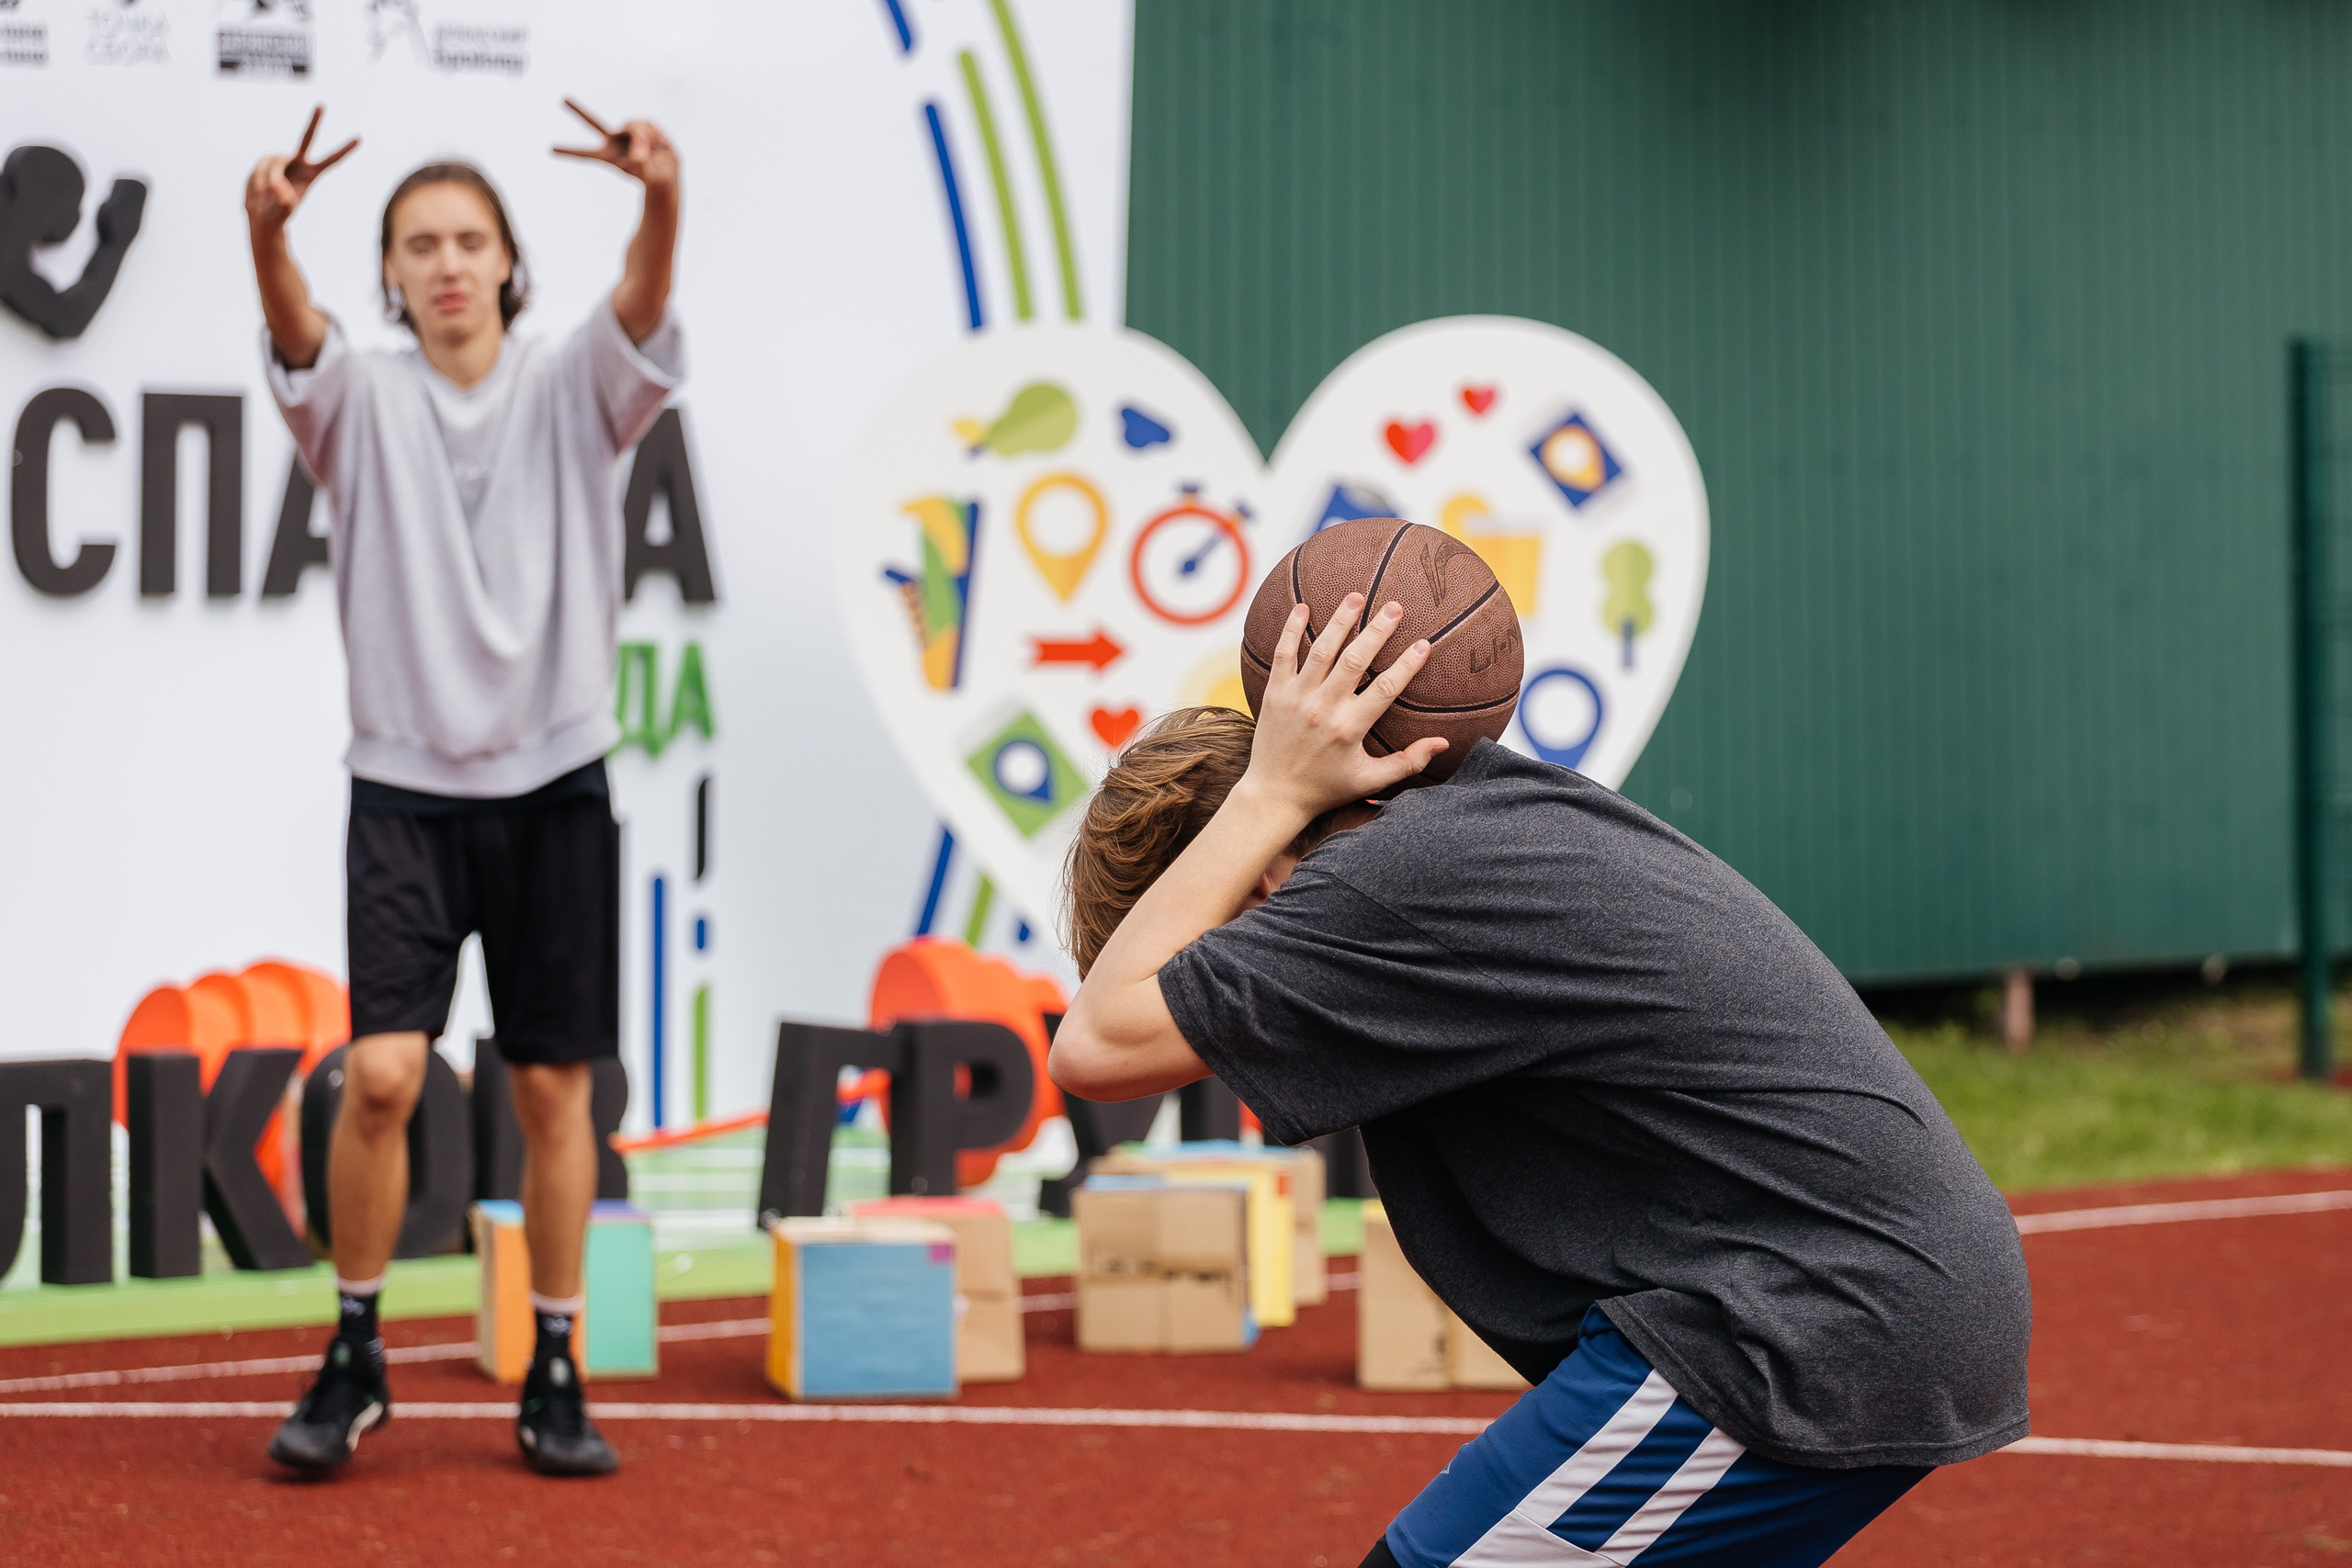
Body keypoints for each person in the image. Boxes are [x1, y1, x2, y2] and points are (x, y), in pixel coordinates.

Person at [1050, 593, 2032, 1567]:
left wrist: (1267, 794)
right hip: (1854, 1291)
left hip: (1797, 1315)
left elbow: (1096, 1046)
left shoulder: (1376, 885)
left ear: (1256, 874)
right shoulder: (1469, 829)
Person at [245, 101, 683, 1477]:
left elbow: (642, 305)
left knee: (554, 1093)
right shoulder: (357, 397)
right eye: (419, 244)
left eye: (470, 241)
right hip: (402, 787)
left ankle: (554, 1364)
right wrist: (266, 230)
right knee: (382, 1074)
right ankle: (356, 1348)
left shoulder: (575, 381)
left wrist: (660, 197)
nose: (446, 264)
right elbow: (295, 332)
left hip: (555, 784)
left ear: (507, 262)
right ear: (390, 272)